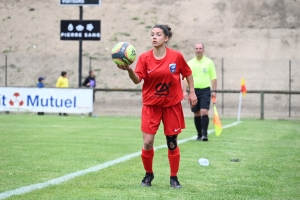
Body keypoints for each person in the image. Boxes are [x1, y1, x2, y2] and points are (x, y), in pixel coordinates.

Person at [116, 24, 197, 188]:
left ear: (166, 38)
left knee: (172, 143)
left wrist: (192, 92)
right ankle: (148, 175)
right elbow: (137, 80)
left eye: (158, 34)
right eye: (152, 34)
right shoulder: (145, 58)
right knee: (147, 142)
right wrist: (129, 70)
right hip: (151, 105)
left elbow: (187, 73)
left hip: (171, 105)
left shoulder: (176, 57)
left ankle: (174, 178)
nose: (154, 37)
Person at [183, 42, 217, 141]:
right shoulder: (190, 63)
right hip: (193, 91)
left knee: (204, 111)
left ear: (203, 50)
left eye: (200, 48)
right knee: (197, 113)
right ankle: (199, 134)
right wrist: (184, 91)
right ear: (194, 50)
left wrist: (214, 91)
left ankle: (205, 135)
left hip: (205, 90)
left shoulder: (209, 62)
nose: (198, 50)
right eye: (196, 48)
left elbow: (214, 77)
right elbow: (185, 79)